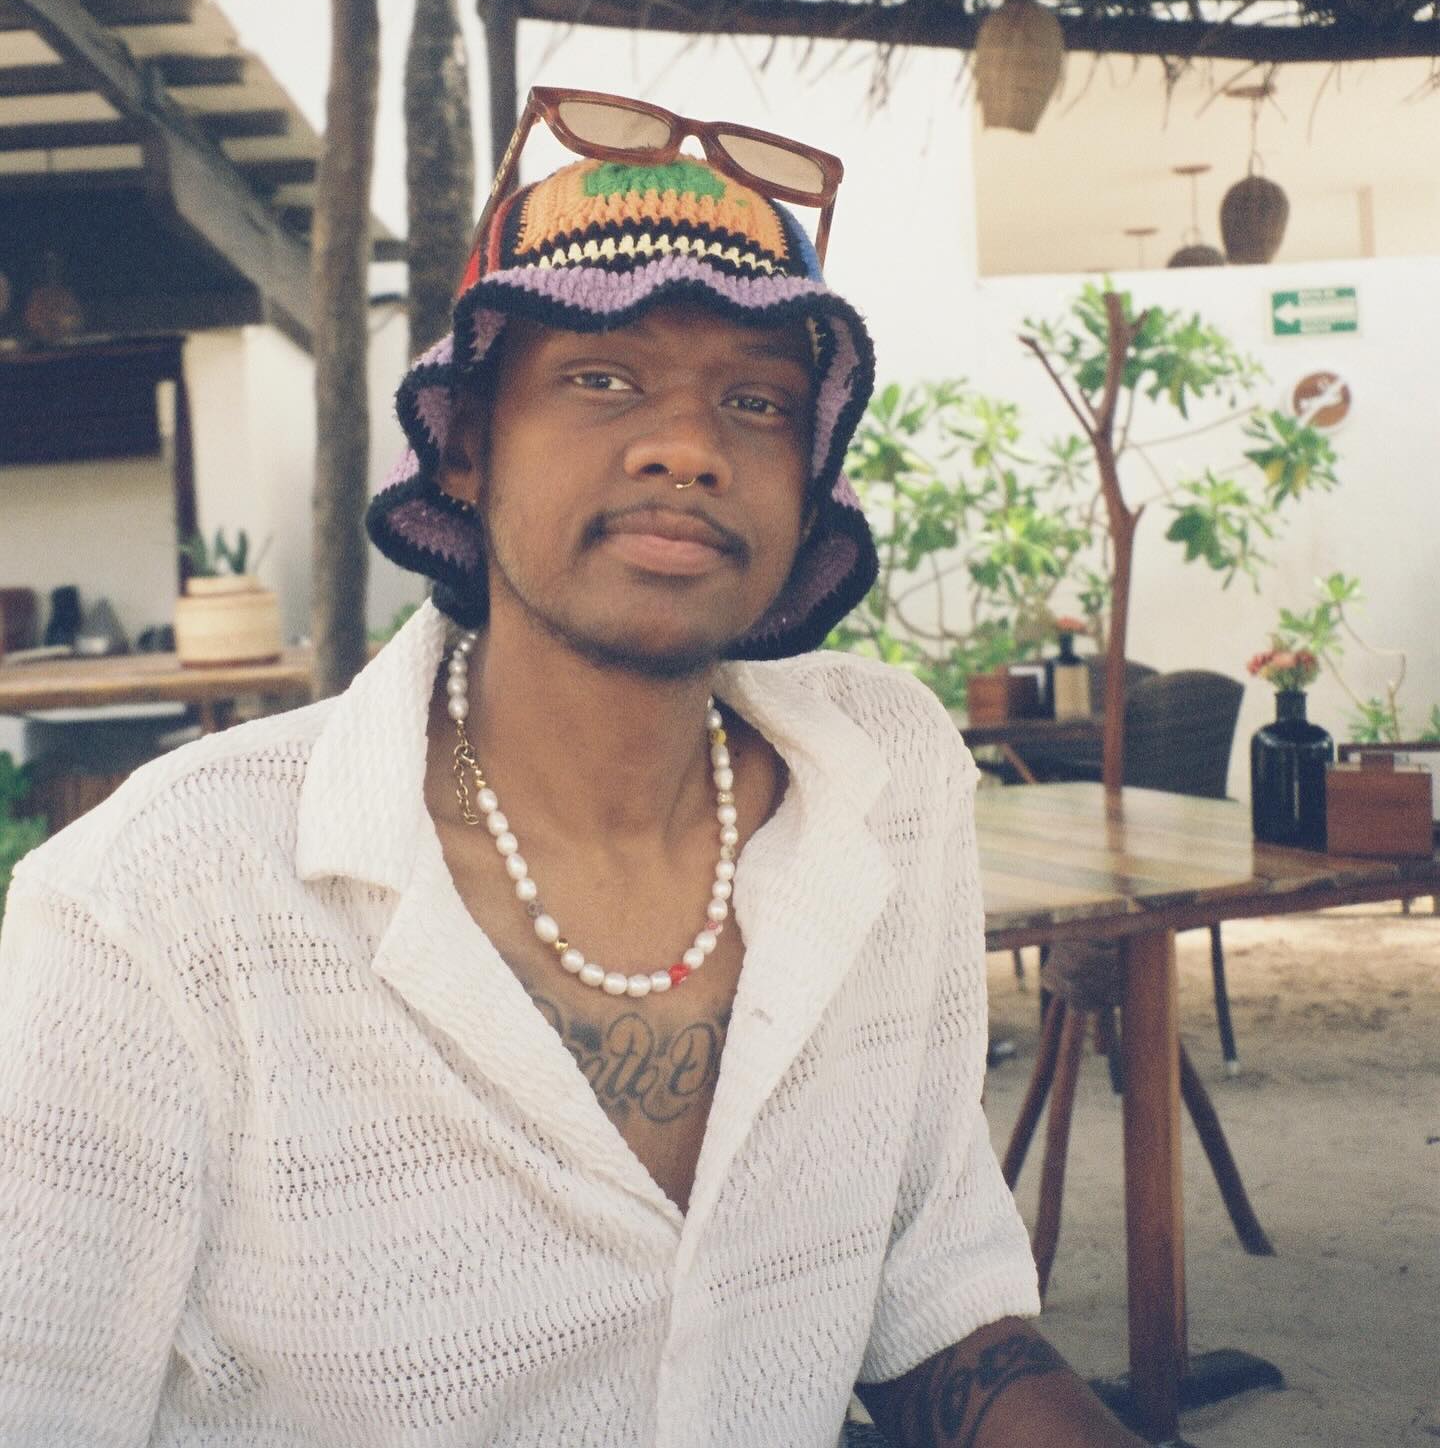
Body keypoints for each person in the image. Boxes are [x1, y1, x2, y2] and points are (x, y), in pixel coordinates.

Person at [0, 89, 1141, 1446]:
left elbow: (929, 1286)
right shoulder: (161, 906)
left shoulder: (885, 788)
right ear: (468, 445)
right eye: (602, 378)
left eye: (757, 400)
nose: (687, 446)